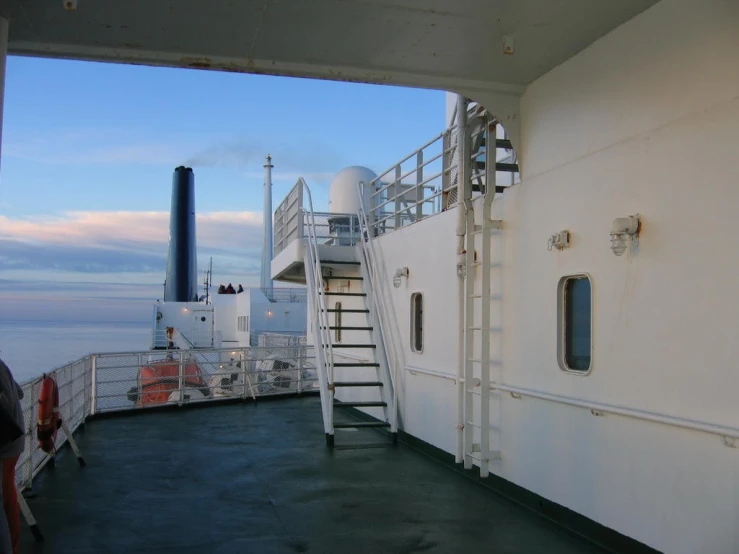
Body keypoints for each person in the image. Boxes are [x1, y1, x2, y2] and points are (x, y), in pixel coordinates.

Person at [0, 357, 24, 554]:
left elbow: (5, 405)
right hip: (15, 442)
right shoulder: (2, 366)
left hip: (4, 445)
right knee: (8, 498)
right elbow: (20, 392)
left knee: (5, 503)